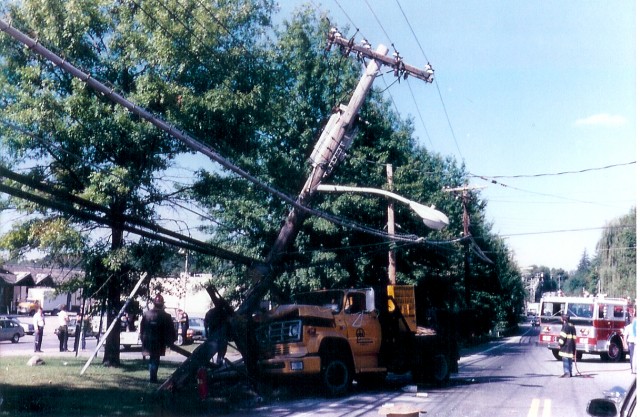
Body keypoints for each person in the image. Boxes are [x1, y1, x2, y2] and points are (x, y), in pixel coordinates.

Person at [140, 294, 176, 383]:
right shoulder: (166, 316)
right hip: (159, 341)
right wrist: (172, 340)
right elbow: (171, 329)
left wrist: (142, 339)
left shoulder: (146, 314)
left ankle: (152, 377)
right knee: (155, 359)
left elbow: (142, 328)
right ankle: (153, 378)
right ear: (162, 304)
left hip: (148, 340)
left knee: (152, 358)